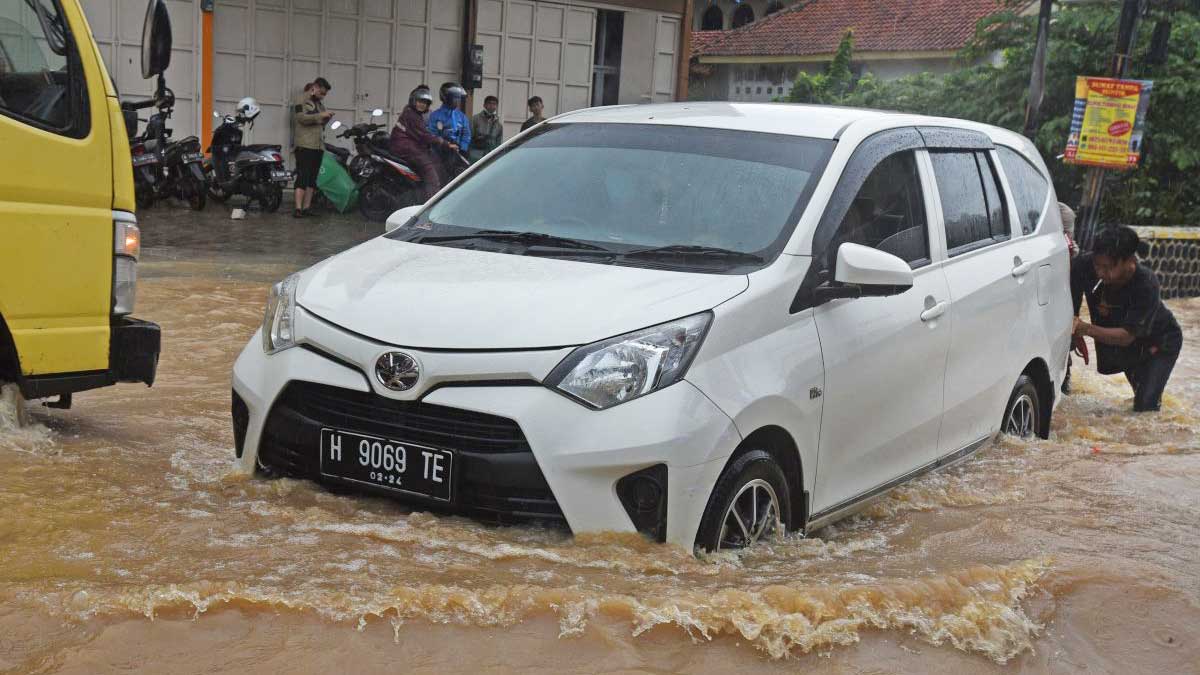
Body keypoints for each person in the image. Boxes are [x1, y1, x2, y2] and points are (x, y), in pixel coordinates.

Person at [1071, 226, 1183, 412]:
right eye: (1097, 265)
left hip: (1159, 343)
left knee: (1145, 406)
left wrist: (1085, 329)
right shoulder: (1083, 266)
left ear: (1129, 261)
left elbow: (1126, 337)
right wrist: (1074, 335)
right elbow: (1071, 306)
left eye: (1108, 267)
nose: (1100, 272)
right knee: (1140, 393)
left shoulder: (1146, 283)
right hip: (1128, 345)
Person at [390, 85, 456, 201]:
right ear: (414, 100)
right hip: (406, 147)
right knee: (430, 172)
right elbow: (424, 136)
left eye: (425, 103)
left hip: (408, 145)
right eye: (420, 101)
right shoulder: (412, 115)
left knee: (436, 162)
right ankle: (430, 204)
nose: (422, 105)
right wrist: (445, 143)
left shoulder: (413, 113)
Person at [291, 77, 333, 218]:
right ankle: (297, 208)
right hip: (305, 144)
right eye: (321, 93)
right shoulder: (300, 100)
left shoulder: (320, 104)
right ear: (314, 88)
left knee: (312, 178)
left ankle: (306, 208)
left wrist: (326, 118)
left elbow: (320, 123)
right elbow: (301, 118)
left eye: (325, 94)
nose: (323, 96)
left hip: (318, 145)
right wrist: (320, 115)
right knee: (302, 176)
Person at [428, 82, 471, 182]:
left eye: (459, 98)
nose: (457, 101)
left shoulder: (461, 116)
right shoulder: (435, 116)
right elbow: (432, 134)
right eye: (455, 98)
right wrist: (445, 145)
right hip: (440, 155)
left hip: (458, 155)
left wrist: (462, 148)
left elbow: (466, 134)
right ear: (446, 98)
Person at [469, 95, 502, 162]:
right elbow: (469, 136)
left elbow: (498, 143)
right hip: (476, 155)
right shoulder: (475, 119)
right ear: (484, 105)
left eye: (494, 104)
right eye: (489, 103)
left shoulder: (498, 125)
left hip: (490, 156)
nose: (492, 106)